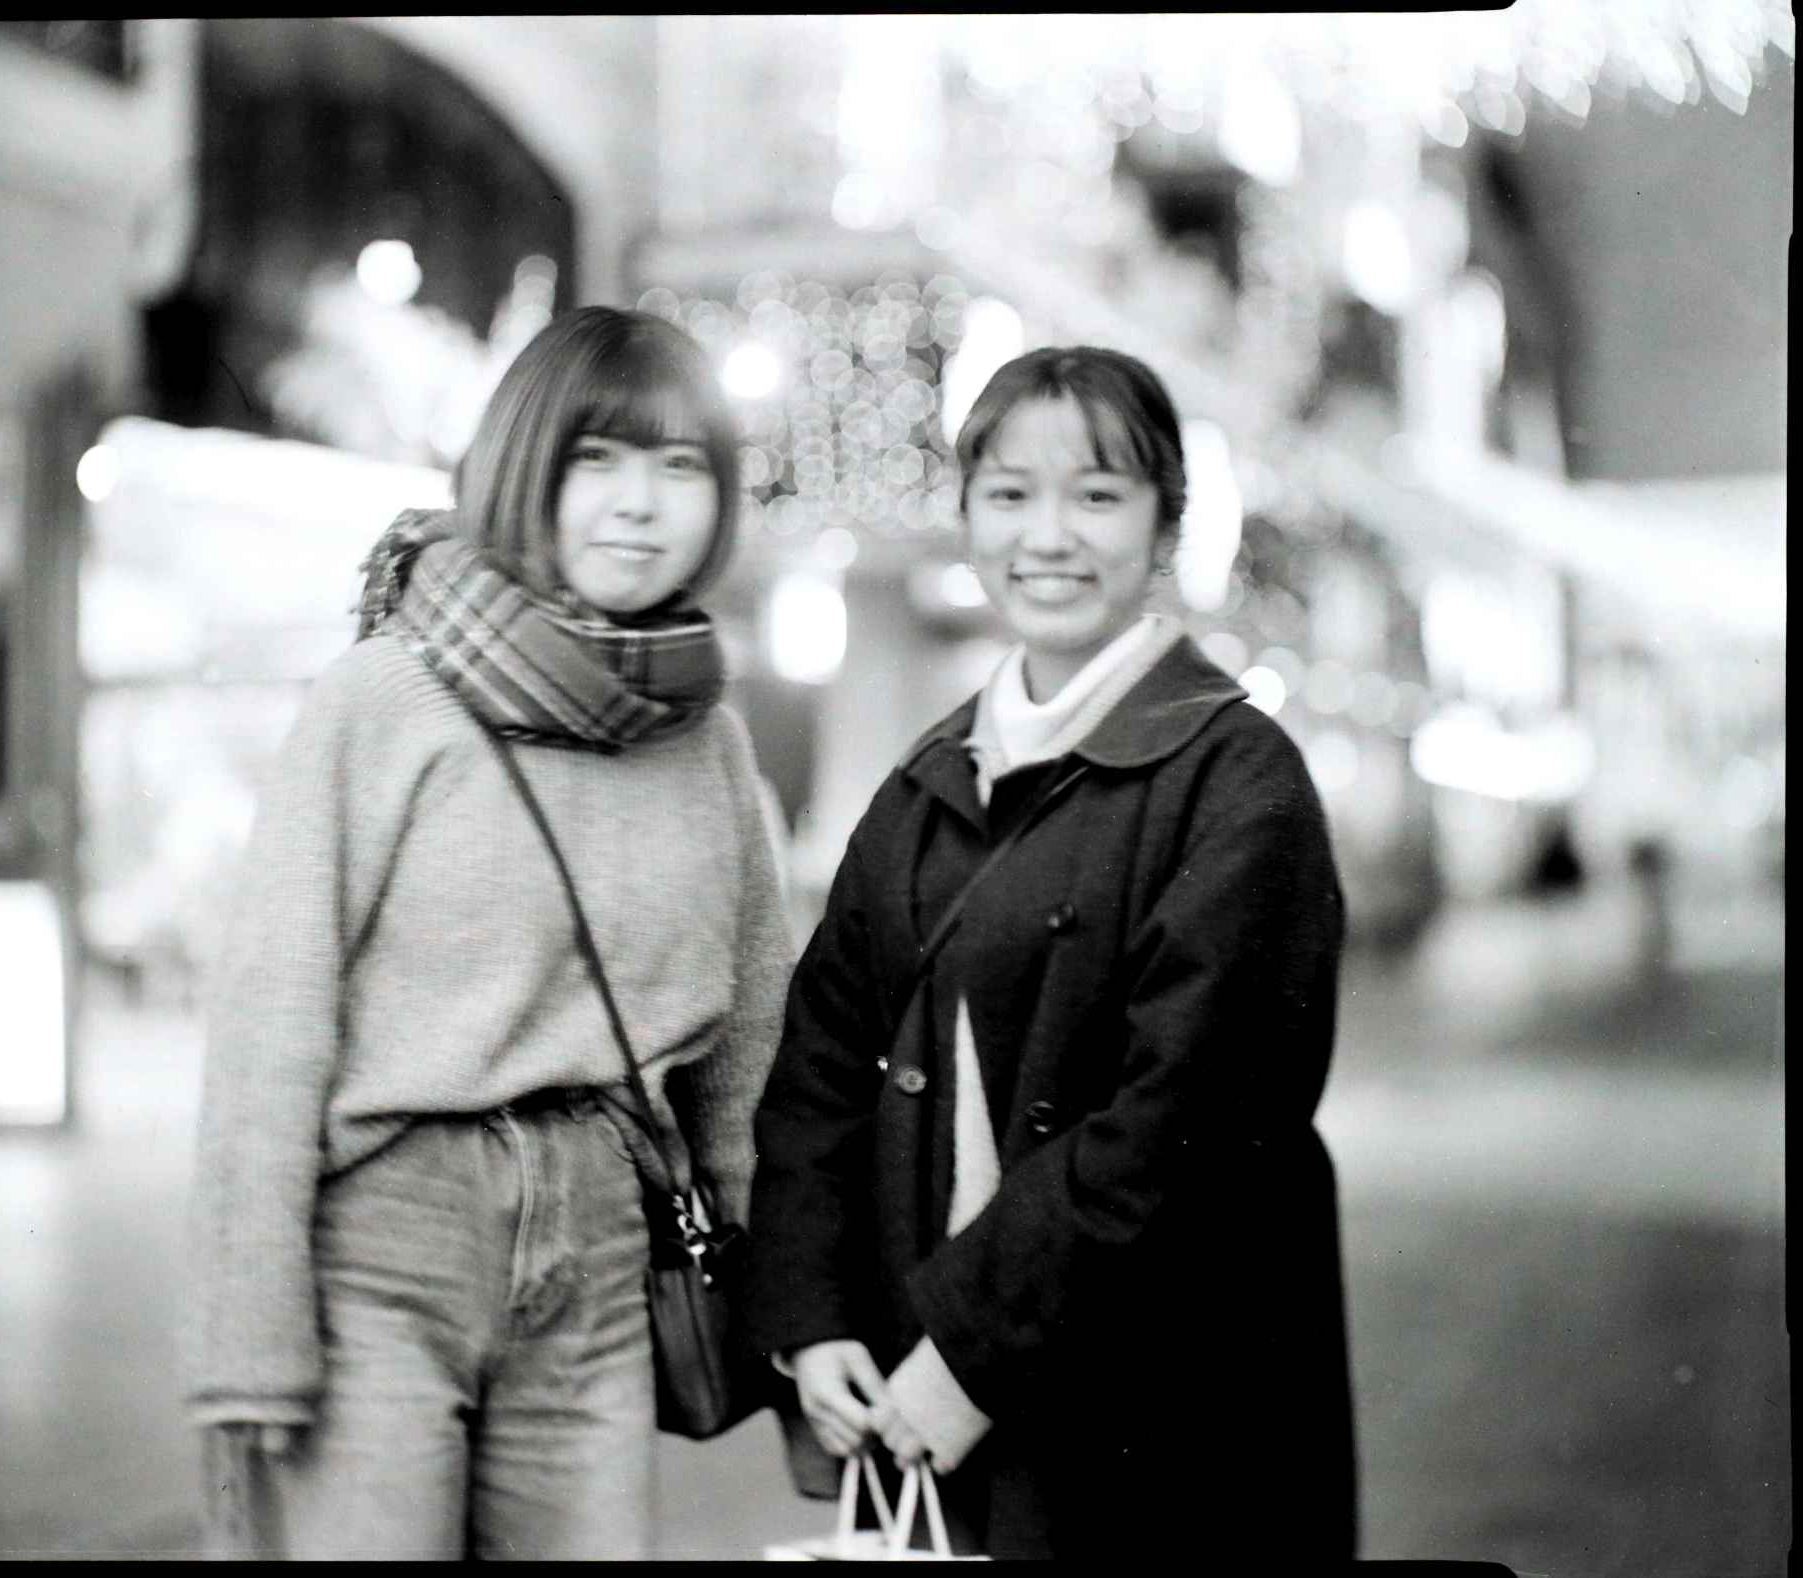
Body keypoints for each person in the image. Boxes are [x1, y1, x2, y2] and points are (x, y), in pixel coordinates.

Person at [184, 306, 793, 1560]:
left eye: (679, 466)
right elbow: (269, 1023)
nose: (638, 504)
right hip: (381, 1243)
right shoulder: (386, 696)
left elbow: (746, 1055)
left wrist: (790, 1312)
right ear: (522, 468)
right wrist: (247, 1336)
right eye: (594, 459)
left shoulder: (708, 738)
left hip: (601, 1245)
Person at [745, 345, 1356, 1561]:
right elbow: (817, 1071)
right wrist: (813, 1319)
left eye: (1097, 495)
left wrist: (965, 1355)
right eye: (1010, 494)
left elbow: (1182, 1129)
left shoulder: (1239, 784)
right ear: (968, 516)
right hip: (928, 1405)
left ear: (1165, 525)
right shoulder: (927, 784)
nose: (1048, 536)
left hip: (1164, 1419)